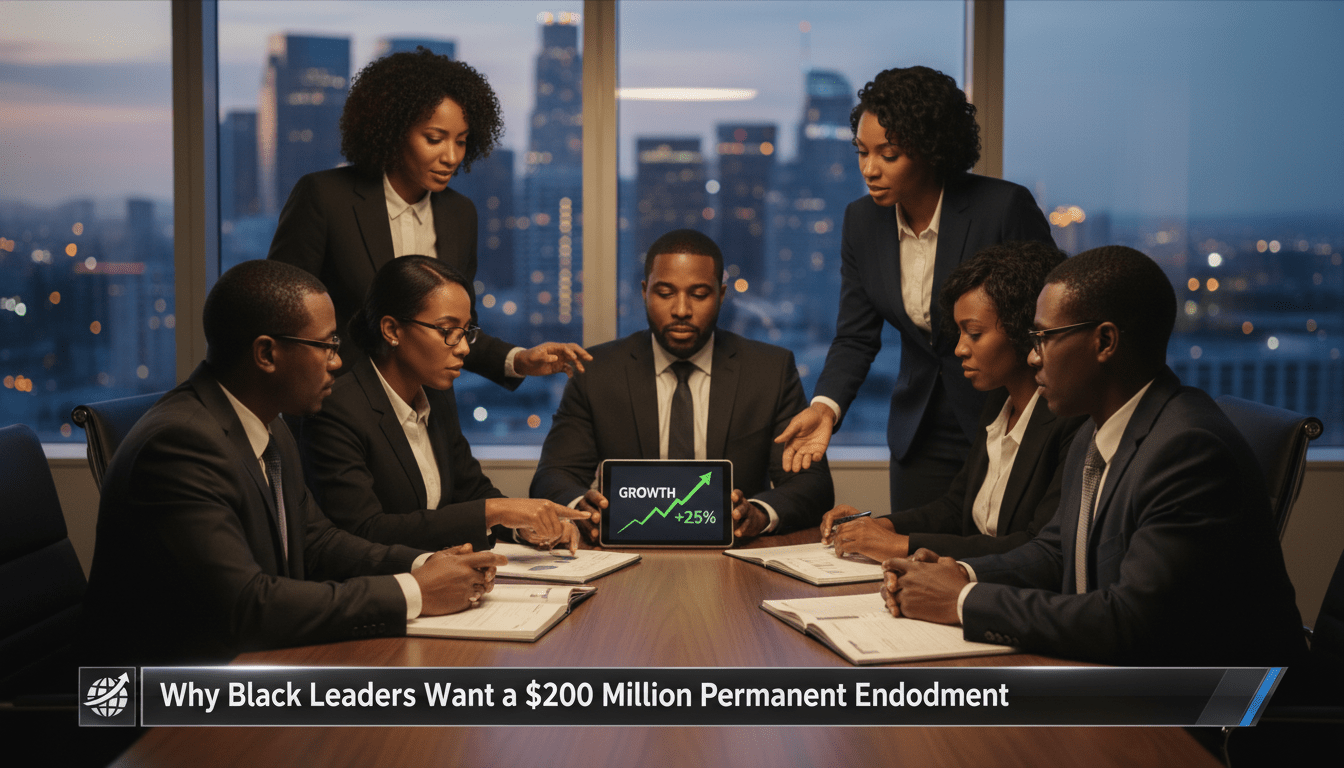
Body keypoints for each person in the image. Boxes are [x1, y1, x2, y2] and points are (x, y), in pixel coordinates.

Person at [880, 246, 1306, 666]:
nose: (1032, 356)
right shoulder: (1094, 431)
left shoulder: (1188, 450)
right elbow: (1055, 552)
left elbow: (1128, 621)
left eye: (1044, 338)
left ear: (1105, 341)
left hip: (1222, 710)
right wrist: (961, 574)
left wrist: (963, 601)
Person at [81, 260, 506, 667]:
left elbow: (318, 542)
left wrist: (424, 565)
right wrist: (413, 591)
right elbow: (245, 607)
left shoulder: (271, 426)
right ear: (266, 354)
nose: (338, 362)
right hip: (156, 705)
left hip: (252, 667)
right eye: (326, 346)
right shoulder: (179, 445)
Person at [776, 65, 1055, 511]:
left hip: (1007, 418)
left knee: (995, 556)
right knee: (912, 557)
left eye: (888, 154)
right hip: (919, 431)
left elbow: (1051, 321)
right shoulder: (861, 221)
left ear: (930, 150)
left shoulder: (1002, 208)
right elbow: (855, 335)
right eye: (861, 152)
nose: (869, 169)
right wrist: (826, 407)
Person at [267, 47, 588, 385]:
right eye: (434, 139)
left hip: (431, 416)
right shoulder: (325, 197)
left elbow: (454, 331)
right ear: (393, 130)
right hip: (339, 408)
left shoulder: (460, 214)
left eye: (462, 141)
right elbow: (283, 315)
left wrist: (518, 360)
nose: (451, 156)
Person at [531, 229, 834, 541]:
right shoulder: (597, 372)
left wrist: (758, 512)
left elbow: (812, 484)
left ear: (722, 294)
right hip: (627, 555)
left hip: (736, 560)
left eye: (699, 294)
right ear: (644, 291)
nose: (681, 310)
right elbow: (553, 477)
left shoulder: (769, 371)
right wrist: (581, 507)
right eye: (664, 293)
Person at [299, 256, 592, 554]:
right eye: (447, 330)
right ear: (391, 330)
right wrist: (494, 512)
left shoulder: (436, 397)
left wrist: (524, 528)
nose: (464, 347)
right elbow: (364, 531)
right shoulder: (338, 410)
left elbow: (472, 490)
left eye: (466, 331)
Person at [822, 241, 1085, 561]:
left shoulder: (1071, 419)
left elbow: (1038, 548)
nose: (959, 349)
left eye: (973, 333)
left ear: (1023, 331)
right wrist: (880, 526)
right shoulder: (997, 401)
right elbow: (957, 507)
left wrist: (900, 546)